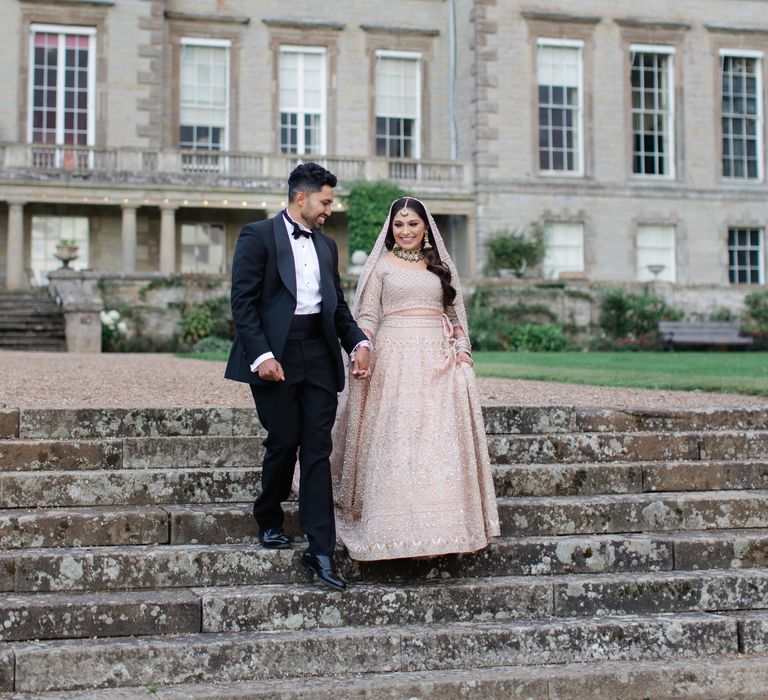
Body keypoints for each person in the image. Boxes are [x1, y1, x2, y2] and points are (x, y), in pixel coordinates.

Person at [225, 162, 371, 590]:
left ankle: (319, 550)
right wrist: (262, 356)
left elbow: (337, 307)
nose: (330, 209)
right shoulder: (257, 236)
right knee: (284, 440)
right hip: (277, 355)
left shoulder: (327, 247)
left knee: (317, 449)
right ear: (301, 198)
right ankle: (268, 515)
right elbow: (243, 303)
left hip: (320, 356)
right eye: (326, 201)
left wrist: (359, 342)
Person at [332, 196, 500, 561]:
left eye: (412, 224)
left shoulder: (440, 267)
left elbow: (456, 318)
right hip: (393, 362)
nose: (405, 231)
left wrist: (464, 351)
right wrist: (364, 347)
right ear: (390, 229)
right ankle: (389, 531)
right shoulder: (379, 267)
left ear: (426, 227)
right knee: (398, 441)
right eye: (399, 225)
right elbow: (367, 316)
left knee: (434, 445)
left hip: (436, 362)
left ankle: (441, 533)